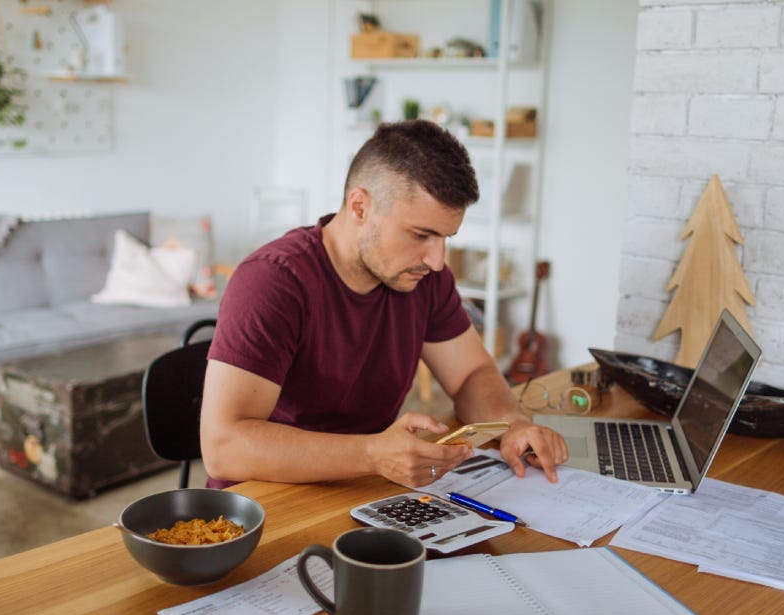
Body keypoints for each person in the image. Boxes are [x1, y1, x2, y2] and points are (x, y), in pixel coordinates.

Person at [200, 120, 567, 488]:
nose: (437, 261)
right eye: (421, 235)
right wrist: (373, 454)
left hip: (366, 489)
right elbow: (223, 448)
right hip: (269, 504)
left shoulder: (426, 278)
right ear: (360, 206)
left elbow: (472, 374)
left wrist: (512, 424)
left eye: (445, 238)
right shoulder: (273, 282)